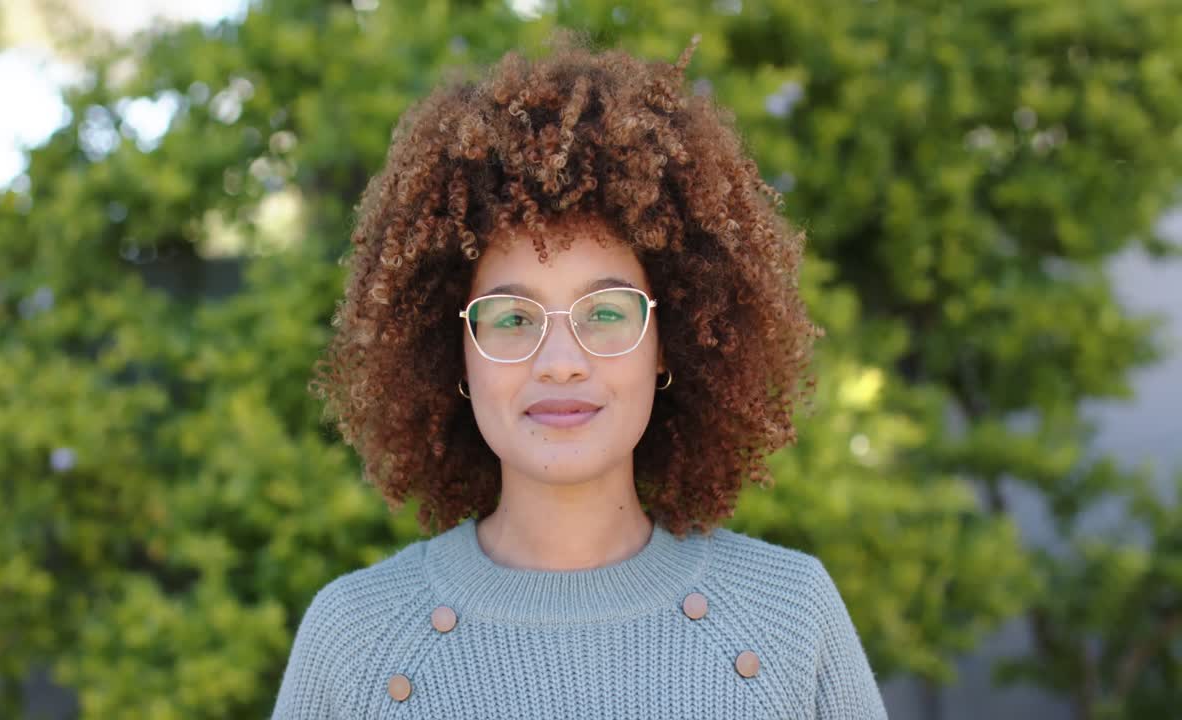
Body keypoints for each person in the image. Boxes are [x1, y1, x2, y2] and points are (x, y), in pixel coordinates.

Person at [273, 31, 887, 719]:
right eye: (512, 318)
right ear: (455, 353)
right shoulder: (357, 640)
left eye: (606, 313)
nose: (560, 362)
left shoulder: (788, 618)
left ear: (668, 343)